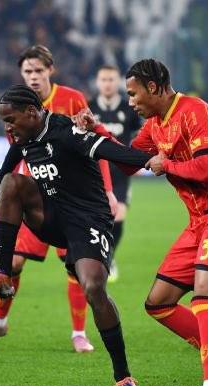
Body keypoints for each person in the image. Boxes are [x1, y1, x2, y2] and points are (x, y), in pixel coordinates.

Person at [76, 59, 208, 386]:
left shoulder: (195, 112)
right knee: (159, 303)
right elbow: (129, 162)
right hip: (198, 224)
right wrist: (97, 129)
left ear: (154, 88)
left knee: (205, 298)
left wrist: (167, 165)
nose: (130, 101)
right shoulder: (155, 125)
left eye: (133, 94)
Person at [0, 85, 154, 386]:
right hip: (50, 217)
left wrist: (151, 161)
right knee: (11, 183)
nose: (8, 127)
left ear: (31, 113)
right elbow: (14, 157)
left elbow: (109, 151)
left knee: (94, 289)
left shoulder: (67, 131)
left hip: (88, 219)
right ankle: (3, 273)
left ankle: (124, 378)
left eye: (10, 119)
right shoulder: (24, 135)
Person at [0, 45, 118, 353]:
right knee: (13, 261)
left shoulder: (72, 99)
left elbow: (93, 145)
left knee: (75, 265)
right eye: (28, 71)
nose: (34, 76)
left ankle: (79, 333)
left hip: (71, 199)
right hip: (36, 197)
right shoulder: (15, 106)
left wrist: (107, 191)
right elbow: (18, 152)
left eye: (39, 70)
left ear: (50, 70)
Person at [89, 65, 142, 282]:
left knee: (118, 215)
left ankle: (109, 257)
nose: (107, 84)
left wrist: (137, 159)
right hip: (94, 172)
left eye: (111, 79)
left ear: (118, 82)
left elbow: (139, 134)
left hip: (120, 173)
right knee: (97, 219)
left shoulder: (130, 107)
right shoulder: (89, 107)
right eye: (103, 79)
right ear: (97, 82)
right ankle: (98, 255)